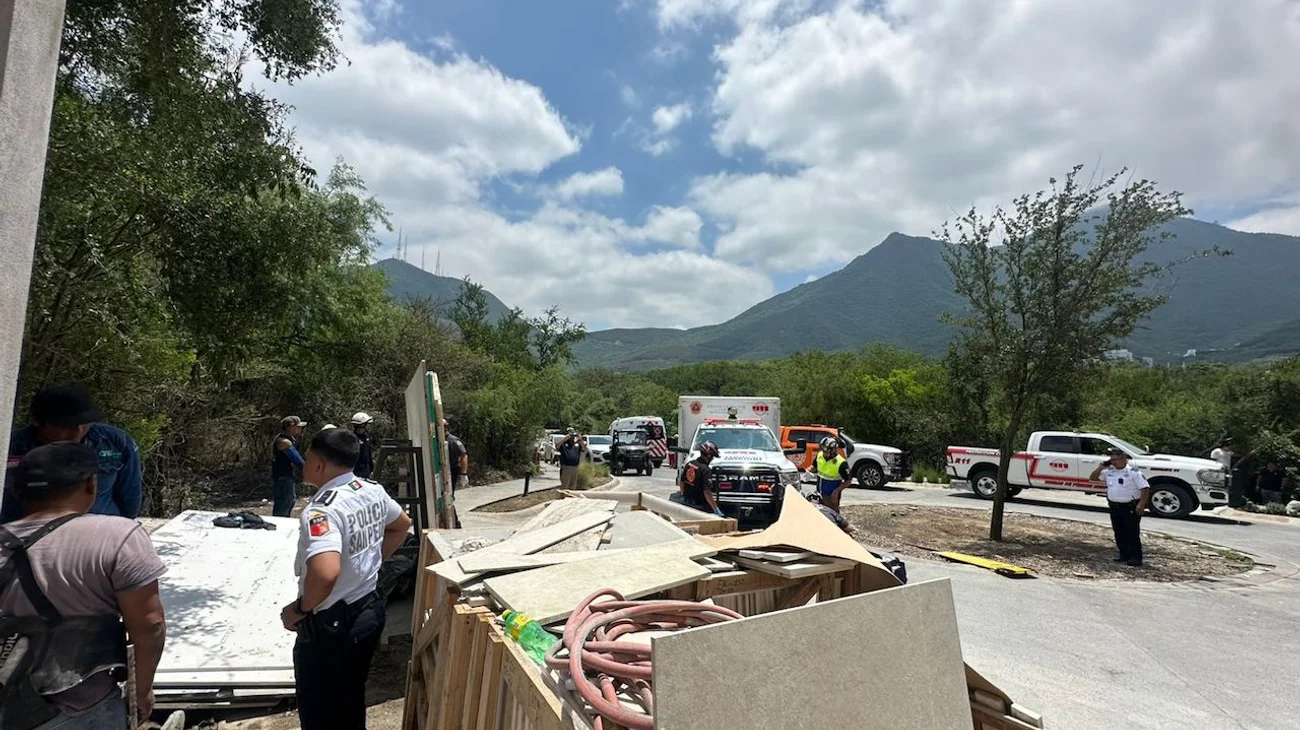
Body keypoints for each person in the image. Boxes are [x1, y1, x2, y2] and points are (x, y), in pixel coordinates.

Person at [0, 443, 167, 729]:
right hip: (83, 706)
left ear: (17, 490)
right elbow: (150, 624)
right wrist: (142, 690)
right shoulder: (118, 535)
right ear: (91, 485)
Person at [280, 429, 412, 730]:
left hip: (332, 627)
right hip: (368, 612)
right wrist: (371, 562)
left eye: (308, 458)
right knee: (351, 698)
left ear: (319, 465)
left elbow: (325, 573)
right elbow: (402, 525)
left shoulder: (321, 509)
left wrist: (299, 610)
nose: (303, 463)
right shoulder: (370, 490)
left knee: (320, 713)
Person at [2, 385, 142, 523]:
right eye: (67, 425)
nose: (78, 430)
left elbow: (130, 499)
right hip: (25, 537)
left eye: (85, 423)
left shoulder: (116, 442)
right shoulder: (10, 447)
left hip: (99, 532)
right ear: (42, 423)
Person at [1090, 447, 1150, 567]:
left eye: (1116, 459)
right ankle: (1124, 555)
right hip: (1114, 506)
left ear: (1123, 459)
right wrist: (1100, 467)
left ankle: (1135, 558)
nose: (1113, 462)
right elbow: (1093, 478)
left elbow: (1145, 488)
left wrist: (1141, 504)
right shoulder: (1110, 472)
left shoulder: (1133, 472)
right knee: (1119, 531)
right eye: (1111, 460)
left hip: (1130, 507)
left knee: (1132, 532)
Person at [673, 441, 722, 515]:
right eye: (712, 456)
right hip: (699, 507)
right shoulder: (705, 470)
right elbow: (707, 492)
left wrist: (683, 495)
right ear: (708, 456)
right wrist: (715, 509)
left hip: (687, 504)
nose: (712, 459)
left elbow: (682, 481)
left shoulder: (690, 464)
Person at [271, 416, 307, 517]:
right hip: (283, 476)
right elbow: (298, 460)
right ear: (291, 428)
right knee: (285, 503)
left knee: (289, 501)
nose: (300, 429)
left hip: (285, 476)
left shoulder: (286, 439)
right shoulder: (284, 442)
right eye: (298, 426)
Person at [813, 436, 852, 511]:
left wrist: (836, 492)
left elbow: (848, 481)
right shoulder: (820, 455)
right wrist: (807, 473)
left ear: (833, 450)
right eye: (823, 450)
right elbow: (814, 466)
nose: (824, 453)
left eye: (826, 451)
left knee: (832, 515)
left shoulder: (841, 463)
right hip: (819, 493)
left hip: (831, 496)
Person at [443, 419, 468, 493]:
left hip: (451, 470)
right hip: (439, 471)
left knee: (449, 493)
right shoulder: (434, 440)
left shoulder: (453, 440)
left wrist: (463, 474)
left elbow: (463, 455)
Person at [350, 412, 375, 479]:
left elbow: (368, 455)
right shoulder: (352, 438)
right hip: (356, 474)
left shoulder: (366, 438)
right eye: (366, 424)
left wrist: (371, 470)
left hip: (366, 472)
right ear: (362, 425)